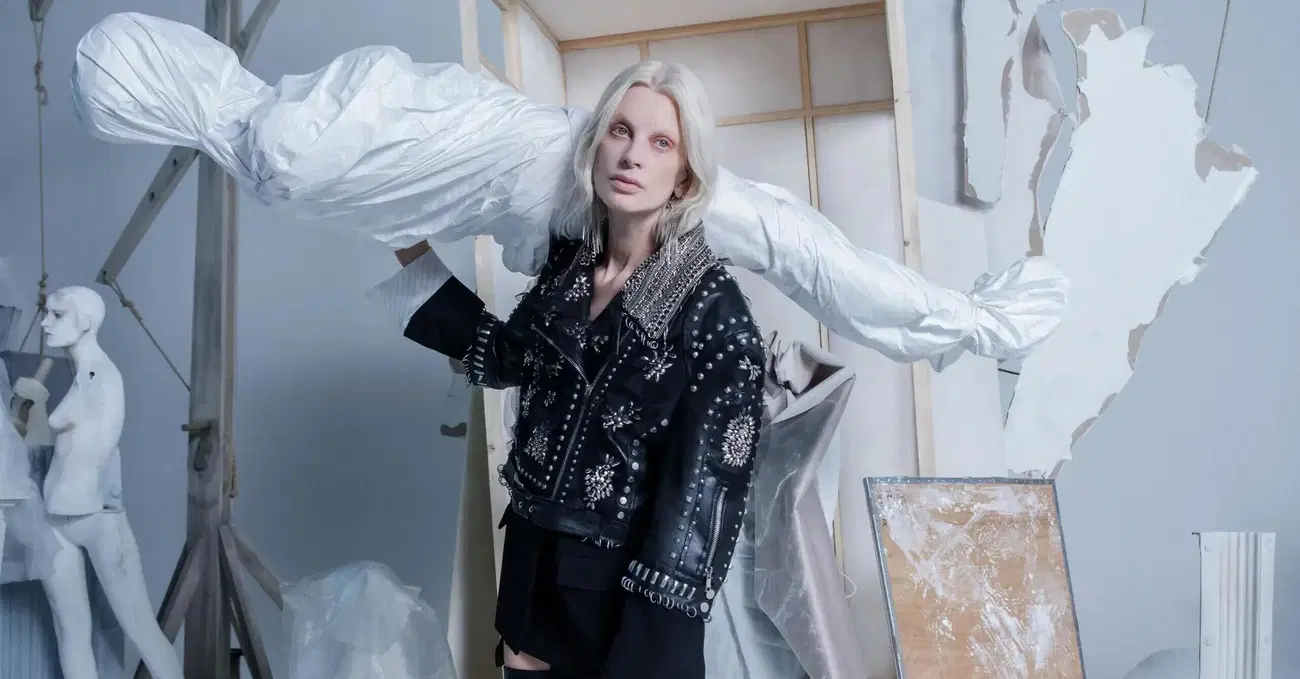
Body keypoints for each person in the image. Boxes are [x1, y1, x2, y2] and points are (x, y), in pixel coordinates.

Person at [370, 60, 762, 679]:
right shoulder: (570, 268)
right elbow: (504, 357)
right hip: (530, 573)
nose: (632, 156)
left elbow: (704, 496)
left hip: (623, 602)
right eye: (620, 131)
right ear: (597, 144)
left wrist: (651, 646)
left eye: (661, 142)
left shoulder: (714, 311)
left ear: (685, 175)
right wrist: (399, 234)